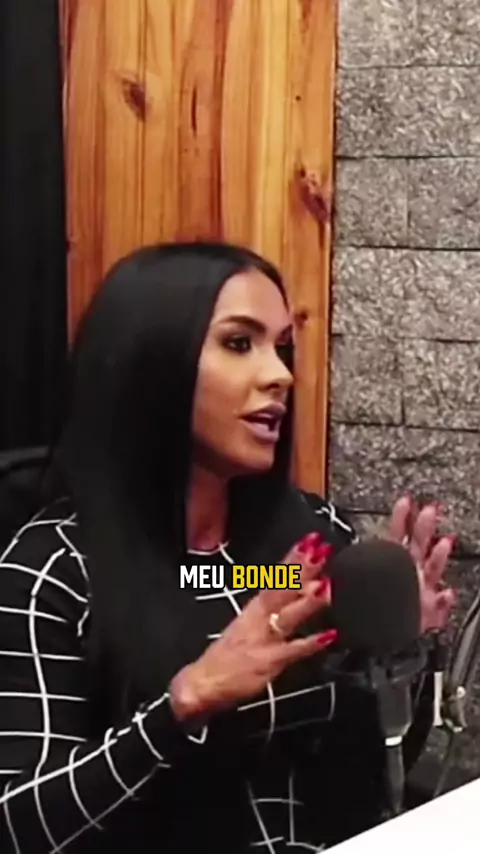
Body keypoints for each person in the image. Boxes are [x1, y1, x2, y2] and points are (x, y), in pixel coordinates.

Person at [0, 242, 456, 853]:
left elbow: (375, 770)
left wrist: (397, 657)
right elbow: (18, 826)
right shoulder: (54, 571)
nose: (281, 375)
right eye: (240, 343)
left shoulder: (305, 547)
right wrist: (184, 705)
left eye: (281, 347)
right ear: (151, 362)